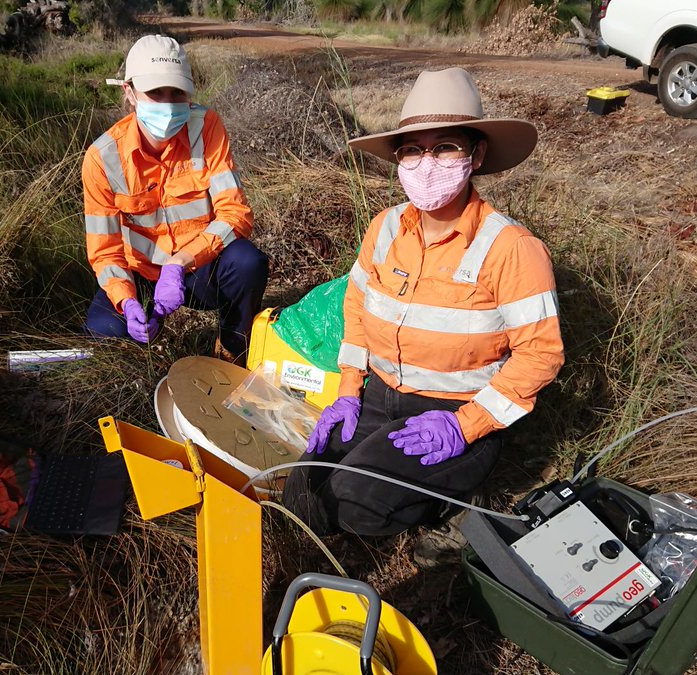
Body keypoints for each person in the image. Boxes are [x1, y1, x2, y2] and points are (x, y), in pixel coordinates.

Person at [281, 68, 565, 537]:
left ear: (476, 155)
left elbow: (541, 353)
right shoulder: (385, 228)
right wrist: (349, 390)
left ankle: (449, 505)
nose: (426, 161)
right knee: (303, 495)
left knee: (352, 505)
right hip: (379, 394)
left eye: (445, 146)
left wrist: (466, 425)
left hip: (452, 411)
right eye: (413, 149)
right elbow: (356, 305)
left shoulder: (512, 248)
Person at [81, 35, 268, 362]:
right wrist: (127, 301)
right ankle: (142, 343)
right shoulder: (103, 158)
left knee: (247, 263)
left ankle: (232, 347)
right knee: (103, 329)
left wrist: (179, 263)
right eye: (155, 93)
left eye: (177, 93)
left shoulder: (206, 127)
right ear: (130, 93)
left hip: (196, 268)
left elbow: (235, 214)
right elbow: (105, 252)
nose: (168, 104)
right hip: (140, 274)